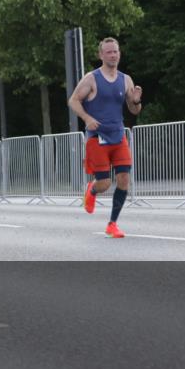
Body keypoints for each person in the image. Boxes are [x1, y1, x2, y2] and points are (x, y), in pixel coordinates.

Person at [67, 37, 143, 238]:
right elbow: (73, 100)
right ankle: (92, 189)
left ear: (119, 54)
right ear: (101, 55)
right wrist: (87, 118)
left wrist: (136, 101)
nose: (113, 55)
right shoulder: (91, 78)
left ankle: (112, 224)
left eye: (115, 51)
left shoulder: (125, 79)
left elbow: (134, 110)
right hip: (97, 137)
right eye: (108, 52)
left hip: (118, 136)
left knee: (124, 179)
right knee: (105, 184)